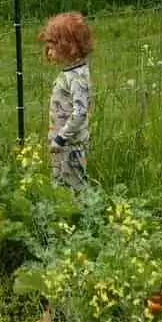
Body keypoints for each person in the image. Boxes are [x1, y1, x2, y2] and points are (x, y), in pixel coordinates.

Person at [42, 11, 94, 190]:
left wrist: (61, 138)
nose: (48, 52)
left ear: (68, 46)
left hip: (70, 145)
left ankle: (83, 215)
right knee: (60, 187)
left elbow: (80, 113)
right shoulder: (72, 72)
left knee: (75, 187)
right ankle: (63, 216)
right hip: (62, 144)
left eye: (52, 46)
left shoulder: (76, 78)